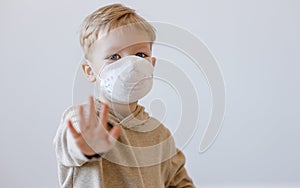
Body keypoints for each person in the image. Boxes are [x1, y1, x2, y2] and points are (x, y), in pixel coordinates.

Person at [53, 3, 195, 188]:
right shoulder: (86, 121)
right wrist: (86, 148)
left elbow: (179, 182)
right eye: (114, 57)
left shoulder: (159, 135)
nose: (131, 65)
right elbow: (70, 143)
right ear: (90, 71)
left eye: (140, 54)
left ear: (152, 64)